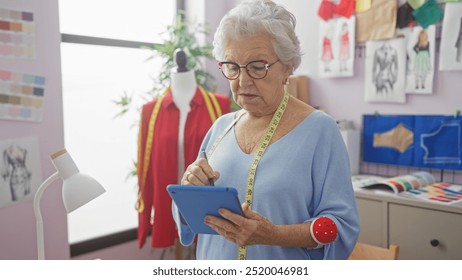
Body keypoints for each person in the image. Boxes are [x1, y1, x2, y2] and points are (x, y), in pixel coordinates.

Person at [173, 0, 359, 260]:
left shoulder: (320, 130)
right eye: (232, 67)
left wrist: (273, 234)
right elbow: (192, 220)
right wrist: (189, 188)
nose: (243, 81)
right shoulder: (220, 129)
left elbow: (340, 226)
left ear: (287, 67)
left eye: (257, 67)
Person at [136, 48, 230, 251]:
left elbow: (225, 157)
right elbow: (145, 171)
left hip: (206, 203)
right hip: (166, 201)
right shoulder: (150, 112)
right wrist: (144, 219)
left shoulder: (219, 105)